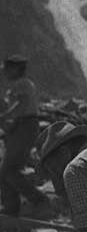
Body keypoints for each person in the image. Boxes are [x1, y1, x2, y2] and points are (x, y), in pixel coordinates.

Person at [0, 55, 51, 217]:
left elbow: (21, 105)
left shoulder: (23, 84)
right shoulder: (19, 85)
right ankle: (11, 207)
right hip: (20, 126)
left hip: (25, 125)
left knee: (10, 170)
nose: (4, 72)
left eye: (7, 69)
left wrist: (5, 116)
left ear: (15, 69)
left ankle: (39, 200)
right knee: (5, 170)